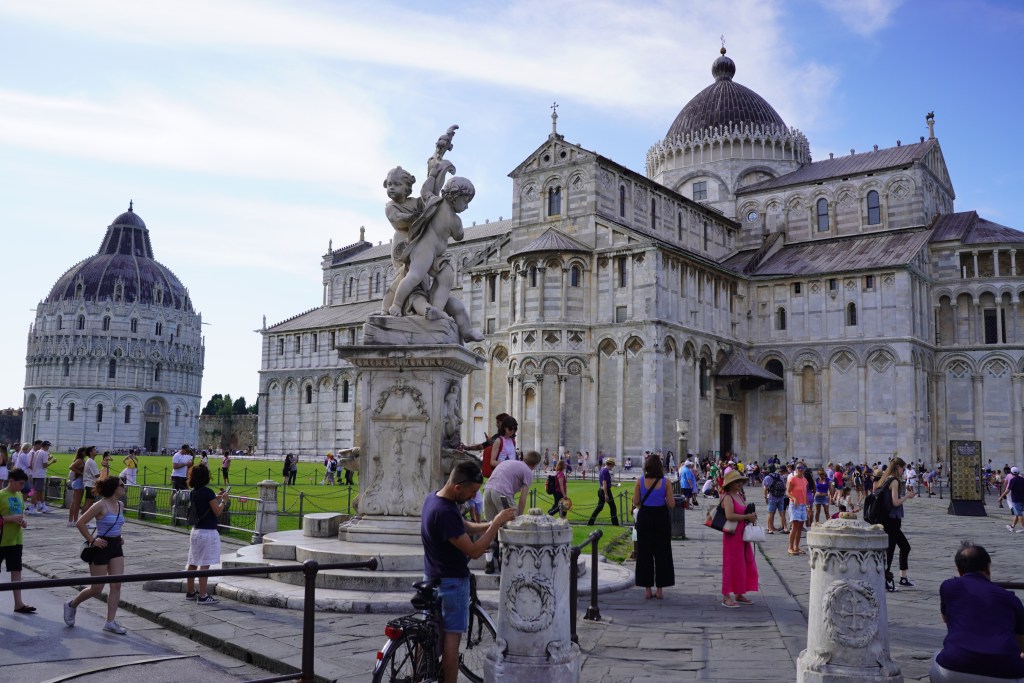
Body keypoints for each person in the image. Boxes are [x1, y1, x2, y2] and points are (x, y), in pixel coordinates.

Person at [421, 460, 515, 683]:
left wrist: (493, 522)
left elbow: (464, 526)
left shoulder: (434, 499)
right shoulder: (445, 512)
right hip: (451, 583)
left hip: (431, 578)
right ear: (457, 487)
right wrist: (494, 527)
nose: (473, 497)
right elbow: (473, 551)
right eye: (471, 492)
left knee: (428, 638)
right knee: (451, 644)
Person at [930, 542, 1024, 682]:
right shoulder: (1010, 598)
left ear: (959, 570)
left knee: (936, 658)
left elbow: (946, 618)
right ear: (988, 567)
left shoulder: (948, 587)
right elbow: (1021, 642)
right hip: (1005, 673)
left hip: (954, 666)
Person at [65, 476, 128, 634]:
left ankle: (110, 621)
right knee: (97, 588)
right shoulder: (100, 505)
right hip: (101, 546)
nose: (124, 486)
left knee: (116, 585)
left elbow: (117, 524)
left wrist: (119, 536)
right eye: (121, 484)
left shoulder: (120, 504)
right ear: (114, 488)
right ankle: (72, 604)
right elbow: (80, 522)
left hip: (115, 546)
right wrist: (93, 540)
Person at [185, 464, 229, 604]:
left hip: (196, 530)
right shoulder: (207, 492)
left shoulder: (194, 491)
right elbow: (217, 511)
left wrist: (216, 496)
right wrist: (223, 501)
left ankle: (191, 592)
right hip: (208, 532)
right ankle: (203, 596)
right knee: (205, 565)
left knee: (192, 562)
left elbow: (205, 502)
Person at [633, 455, 675, 599]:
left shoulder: (640, 481)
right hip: (661, 517)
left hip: (645, 516)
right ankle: (660, 590)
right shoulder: (666, 482)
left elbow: (636, 501)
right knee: (662, 552)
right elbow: (671, 504)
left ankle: (647, 589)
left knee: (644, 553)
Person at [719, 470, 758, 608]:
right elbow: (729, 515)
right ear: (730, 484)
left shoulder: (739, 496)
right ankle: (725, 596)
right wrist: (747, 517)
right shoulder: (727, 497)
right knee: (731, 564)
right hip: (732, 535)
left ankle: (739, 593)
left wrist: (751, 515)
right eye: (737, 481)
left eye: (741, 481)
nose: (740, 483)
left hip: (742, 534)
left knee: (743, 563)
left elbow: (742, 512)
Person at [876, 457, 916, 592]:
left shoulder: (885, 479)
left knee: (904, 547)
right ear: (897, 467)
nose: (903, 471)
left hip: (888, 520)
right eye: (903, 468)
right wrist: (907, 496)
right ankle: (885, 580)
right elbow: (895, 502)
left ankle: (903, 578)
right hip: (891, 521)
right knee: (890, 551)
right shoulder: (894, 481)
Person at [0, 469, 35, 614]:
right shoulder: (1, 495)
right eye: (20, 484)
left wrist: (23, 522)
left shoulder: (20, 495)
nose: (22, 487)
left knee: (16, 571)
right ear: (11, 481)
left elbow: (20, 514)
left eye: (24, 484)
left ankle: (18, 603)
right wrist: (9, 519)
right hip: (1, 540)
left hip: (16, 540)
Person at [483, 450, 541, 521]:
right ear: (535, 465)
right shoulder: (527, 471)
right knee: (513, 522)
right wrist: (519, 517)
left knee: (491, 525)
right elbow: (522, 500)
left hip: (487, 489)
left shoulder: (508, 462)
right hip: (502, 492)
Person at [587, 459, 620, 526]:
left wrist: (613, 485)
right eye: (613, 465)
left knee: (599, 507)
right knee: (613, 507)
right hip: (605, 490)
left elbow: (605, 482)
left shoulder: (602, 469)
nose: (613, 467)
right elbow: (604, 483)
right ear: (610, 464)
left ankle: (590, 522)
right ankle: (615, 524)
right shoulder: (606, 471)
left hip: (601, 490)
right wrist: (606, 494)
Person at [787, 463, 808, 555]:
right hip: (795, 505)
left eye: (801, 468)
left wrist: (808, 506)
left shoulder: (805, 480)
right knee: (794, 527)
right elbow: (787, 492)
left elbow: (805, 493)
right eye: (798, 468)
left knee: (800, 527)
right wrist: (794, 498)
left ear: (804, 469)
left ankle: (797, 547)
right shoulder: (792, 479)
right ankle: (790, 547)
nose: (799, 469)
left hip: (803, 505)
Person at [29, 440, 55, 513]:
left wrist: (48, 459)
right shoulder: (44, 453)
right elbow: (44, 465)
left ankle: (41, 506)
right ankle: (31, 507)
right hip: (40, 474)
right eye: (48, 446)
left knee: (39, 491)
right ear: (46, 446)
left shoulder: (37, 451)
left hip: (35, 473)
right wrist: (52, 462)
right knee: (37, 491)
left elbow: (38, 462)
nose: (48, 448)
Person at [762, 464, 788, 534]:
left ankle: (770, 529)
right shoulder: (779, 476)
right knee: (782, 513)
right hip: (781, 497)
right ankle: (785, 528)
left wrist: (765, 497)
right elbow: (784, 486)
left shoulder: (767, 477)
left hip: (772, 497)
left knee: (770, 513)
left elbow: (765, 488)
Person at [998, 466, 1024, 533]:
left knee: (1019, 514)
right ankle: (1012, 527)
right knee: (1017, 514)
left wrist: (1001, 497)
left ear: (1011, 473)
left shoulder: (1013, 480)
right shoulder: (1023, 479)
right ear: (1018, 473)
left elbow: (1007, 490)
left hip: (1016, 499)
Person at [68, 448, 87, 526]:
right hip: (78, 481)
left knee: (74, 502)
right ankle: (75, 520)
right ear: (82, 452)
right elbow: (71, 467)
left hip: (77, 481)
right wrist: (80, 472)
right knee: (77, 502)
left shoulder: (81, 460)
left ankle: (71, 520)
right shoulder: (79, 460)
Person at [82, 446, 100, 513]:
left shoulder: (89, 461)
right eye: (94, 450)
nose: (96, 450)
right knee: (89, 504)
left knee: (87, 503)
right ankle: (83, 521)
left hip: (89, 484)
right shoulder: (92, 462)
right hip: (91, 484)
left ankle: (81, 520)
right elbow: (97, 475)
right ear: (90, 452)